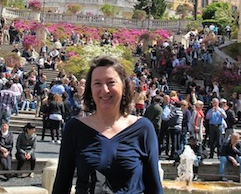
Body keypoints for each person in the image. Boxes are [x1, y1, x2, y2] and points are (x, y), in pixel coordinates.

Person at [52, 55, 163, 194]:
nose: (104, 90)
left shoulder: (143, 129)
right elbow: (62, 184)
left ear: (123, 86)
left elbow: (154, 187)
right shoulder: (74, 128)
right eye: (97, 83)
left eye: (111, 82)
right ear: (90, 89)